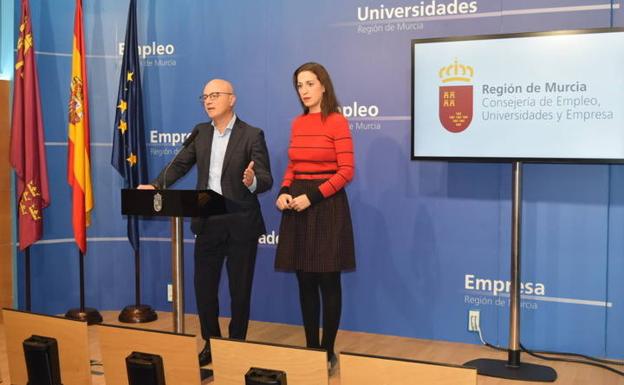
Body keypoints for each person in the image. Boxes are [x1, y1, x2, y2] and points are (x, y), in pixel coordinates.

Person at [138, 79, 273, 366]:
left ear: (232, 99)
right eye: (205, 96)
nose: (209, 101)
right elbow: (179, 165)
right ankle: (211, 344)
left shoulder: (252, 135)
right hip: (208, 219)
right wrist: (156, 185)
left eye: (215, 95)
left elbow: (266, 178)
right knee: (204, 289)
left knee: (239, 290)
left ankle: (236, 346)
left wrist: (252, 181)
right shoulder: (200, 133)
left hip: (240, 221)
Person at [274, 63, 355, 371]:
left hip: (327, 204)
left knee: (328, 280)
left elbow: (346, 171)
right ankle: (311, 351)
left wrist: (313, 196)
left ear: (323, 86)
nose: (304, 90)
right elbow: (294, 166)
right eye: (299, 85)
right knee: (304, 280)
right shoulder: (297, 123)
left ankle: (327, 351)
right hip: (297, 203)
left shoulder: (336, 122)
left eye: (309, 83)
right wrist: (284, 190)